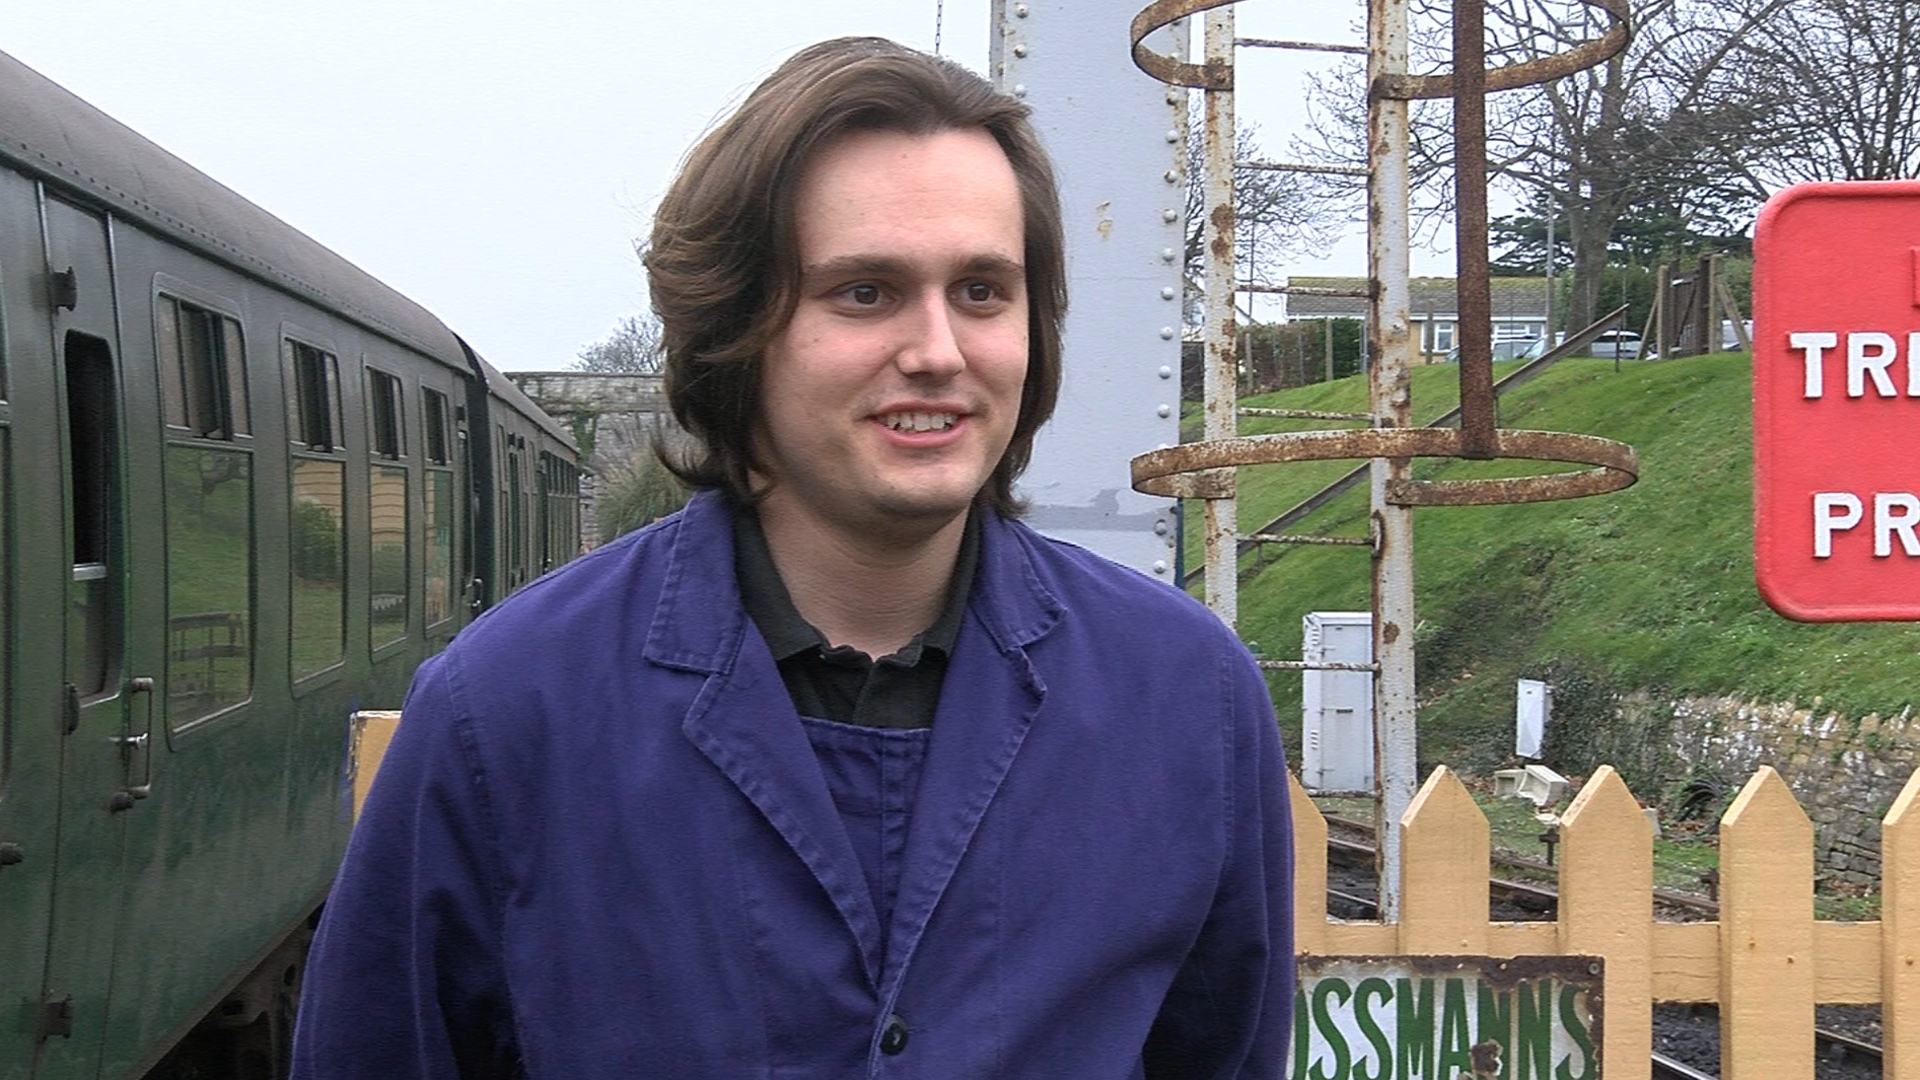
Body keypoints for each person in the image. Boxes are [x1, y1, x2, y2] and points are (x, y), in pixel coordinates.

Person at [292, 36, 1293, 1079]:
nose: (939, 351)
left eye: (984, 291)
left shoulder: (1183, 700)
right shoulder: (504, 718)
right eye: (865, 291)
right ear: (735, 327)